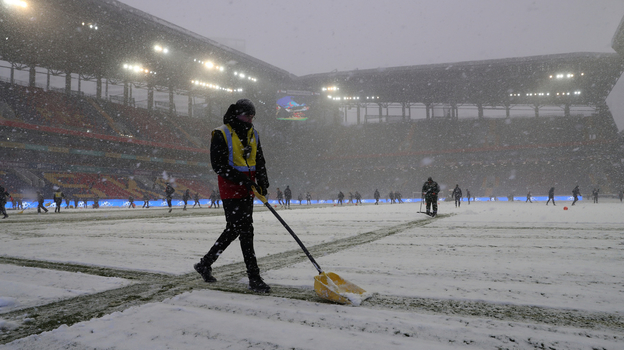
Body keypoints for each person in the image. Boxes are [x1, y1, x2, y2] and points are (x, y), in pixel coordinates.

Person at [194, 98, 271, 293]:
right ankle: (254, 277)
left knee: (234, 229)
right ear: (237, 114)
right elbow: (218, 165)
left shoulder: (254, 134)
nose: (250, 120)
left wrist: (263, 182)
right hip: (231, 189)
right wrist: (241, 179)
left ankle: (205, 263)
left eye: (252, 116)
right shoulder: (221, 133)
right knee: (245, 231)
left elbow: (259, 160)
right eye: (247, 116)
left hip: (249, 188)